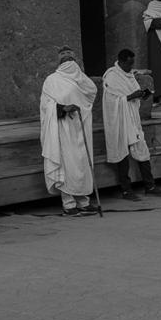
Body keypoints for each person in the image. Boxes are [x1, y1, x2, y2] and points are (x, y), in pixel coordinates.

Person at [40, 47, 99, 217]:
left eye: (71, 60)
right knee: (67, 165)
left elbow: (91, 93)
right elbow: (46, 105)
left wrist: (79, 105)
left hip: (80, 127)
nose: (69, 63)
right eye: (65, 60)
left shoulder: (82, 80)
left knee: (82, 165)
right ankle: (68, 203)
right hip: (63, 128)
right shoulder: (52, 80)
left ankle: (84, 202)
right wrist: (63, 108)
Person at [101, 49, 161, 202]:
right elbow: (110, 101)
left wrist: (141, 95)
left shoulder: (130, 76)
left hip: (132, 119)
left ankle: (150, 186)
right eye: (129, 64)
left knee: (142, 149)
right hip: (119, 120)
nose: (131, 67)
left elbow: (133, 94)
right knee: (122, 153)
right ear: (121, 61)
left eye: (132, 63)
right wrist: (130, 97)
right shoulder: (111, 76)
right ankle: (126, 190)